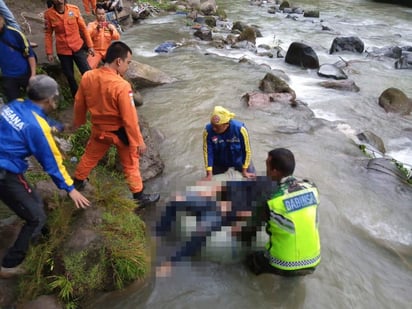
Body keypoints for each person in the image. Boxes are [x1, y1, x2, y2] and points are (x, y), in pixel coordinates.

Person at [0, 75, 90, 278]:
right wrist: (70, 189)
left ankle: (41, 236)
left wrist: (60, 127)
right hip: (5, 172)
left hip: (5, 163)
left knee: (35, 201)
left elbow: (38, 120)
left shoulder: (17, 104)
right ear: (49, 100)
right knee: (36, 217)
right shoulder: (36, 127)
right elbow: (52, 162)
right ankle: (9, 265)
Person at [72, 41, 160, 208]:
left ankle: (77, 182)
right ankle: (139, 196)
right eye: (128, 62)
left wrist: (79, 122)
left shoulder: (88, 76)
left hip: (99, 130)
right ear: (118, 61)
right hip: (119, 134)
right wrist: (138, 141)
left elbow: (79, 102)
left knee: (90, 157)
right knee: (131, 164)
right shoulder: (121, 85)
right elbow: (129, 118)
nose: (127, 66)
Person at [155, 173, 276, 277]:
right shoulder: (253, 183)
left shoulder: (263, 203)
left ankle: (173, 262)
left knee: (200, 232)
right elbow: (227, 186)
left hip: (224, 216)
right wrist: (209, 192)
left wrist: (231, 211)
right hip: (215, 204)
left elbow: (251, 216)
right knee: (176, 201)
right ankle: (159, 232)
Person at [245, 148, 321, 276]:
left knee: (249, 260)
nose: (266, 170)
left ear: (275, 171)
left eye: (267, 166)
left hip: (282, 264)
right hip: (313, 260)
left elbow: (251, 230)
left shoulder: (270, 200)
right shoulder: (312, 188)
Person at [44, 0, 95, 98]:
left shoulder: (74, 9)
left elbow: (83, 28)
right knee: (70, 76)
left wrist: (90, 46)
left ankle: (93, 93)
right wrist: (49, 52)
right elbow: (48, 34)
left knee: (87, 72)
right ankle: (77, 97)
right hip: (63, 51)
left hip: (78, 47)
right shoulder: (48, 14)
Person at [203, 106, 256, 181]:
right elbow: (208, 152)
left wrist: (245, 171)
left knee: (252, 179)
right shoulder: (208, 131)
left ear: (226, 125)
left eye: (217, 127)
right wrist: (209, 173)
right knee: (213, 184)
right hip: (219, 161)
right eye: (212, 125)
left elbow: (247, 150)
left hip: (239, 159)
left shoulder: (240, 129)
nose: (214, 129)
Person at [0, 13, 36, 102]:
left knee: (35, 100)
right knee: (14, 104)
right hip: (8, 76)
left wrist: (33, 75)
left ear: (3, 20)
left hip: (25, 73)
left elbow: (30, 54)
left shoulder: (15, 33)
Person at [86, 3, 120, 69]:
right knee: (88, 69)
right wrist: (96, 29)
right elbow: (87, 35)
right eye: (99, 14)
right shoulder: (91, 25)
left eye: (103, 14)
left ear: (105, 14)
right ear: (95, 14)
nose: (101, 16)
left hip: (107, 51)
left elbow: (117, 37)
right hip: (95, 51)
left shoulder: (110, 25)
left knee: (117, 66)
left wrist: (112, 30)